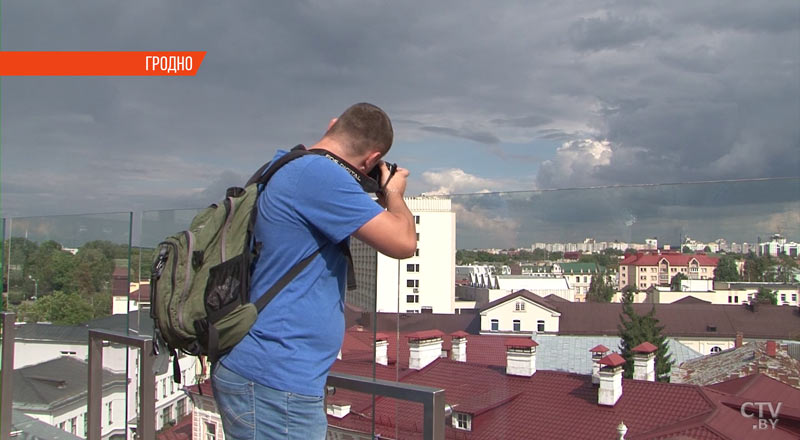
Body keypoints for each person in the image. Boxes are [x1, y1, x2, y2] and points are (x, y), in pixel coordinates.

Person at [212, 102, 416, 439]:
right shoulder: (319, 176)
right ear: (372, 159)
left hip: (264, 371)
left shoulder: (288, 165)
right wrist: (393, 192)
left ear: (333, 124)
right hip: (275, 378)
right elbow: (403, 242)